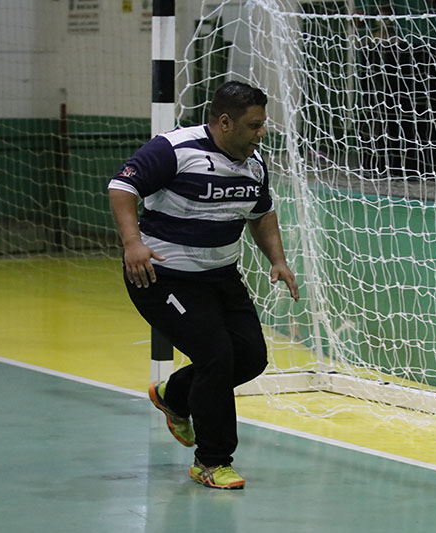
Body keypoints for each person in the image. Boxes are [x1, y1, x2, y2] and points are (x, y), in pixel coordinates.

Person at [108, 81, 299, 490]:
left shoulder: (254, 163)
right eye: (254, 125)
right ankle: (212, 462)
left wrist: (278, 260)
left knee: (250, 358)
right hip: (162, 278)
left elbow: (262, 214)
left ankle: (175, 395)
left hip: (221, 276)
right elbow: (122, 187)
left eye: (263, 124)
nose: (262, 132)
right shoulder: (174, 149)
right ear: (225, 122)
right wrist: (132, 243)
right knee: (216, 356)